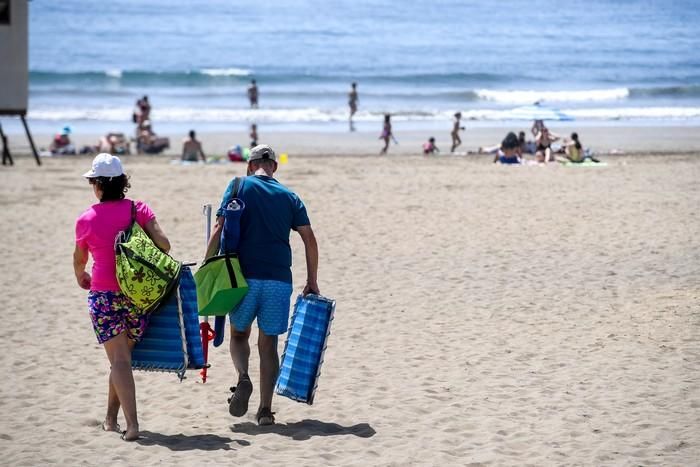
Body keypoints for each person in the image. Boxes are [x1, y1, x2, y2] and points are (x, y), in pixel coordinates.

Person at [204, 144, 319, 426]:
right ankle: (265, 411)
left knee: (239, 335)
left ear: (249, 165)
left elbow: (218, 229)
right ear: (274, 167)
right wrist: (312, 280)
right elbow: (309, 239)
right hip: (279, 280)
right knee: (268, 346)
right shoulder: (290, 196)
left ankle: (243, 378)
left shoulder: (238, 185)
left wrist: (207, 266)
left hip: (242, 278)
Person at [73, 153, 171, 441]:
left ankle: (133, 425)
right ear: (122, 182)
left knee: (119, 361)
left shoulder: (86, 219)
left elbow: (79, 260)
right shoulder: (137, 210)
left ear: (98, 185)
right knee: (122, 359)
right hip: (137, 295)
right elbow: (164, 245)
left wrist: (82, 277)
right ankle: (110, 419)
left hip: (103, 294)